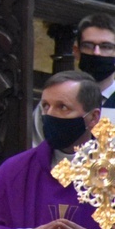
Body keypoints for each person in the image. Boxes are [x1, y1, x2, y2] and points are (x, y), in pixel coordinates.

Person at [0, 70, 102, 229]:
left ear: (93, 118)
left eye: (62, 107)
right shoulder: (16, 169)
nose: (49, 115)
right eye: (45, 106)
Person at [32, 13, 115, 145]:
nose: (97, 53)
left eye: (106, 47)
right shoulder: (53, 101)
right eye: (88, 45)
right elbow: (36, 149)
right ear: (76, 51)